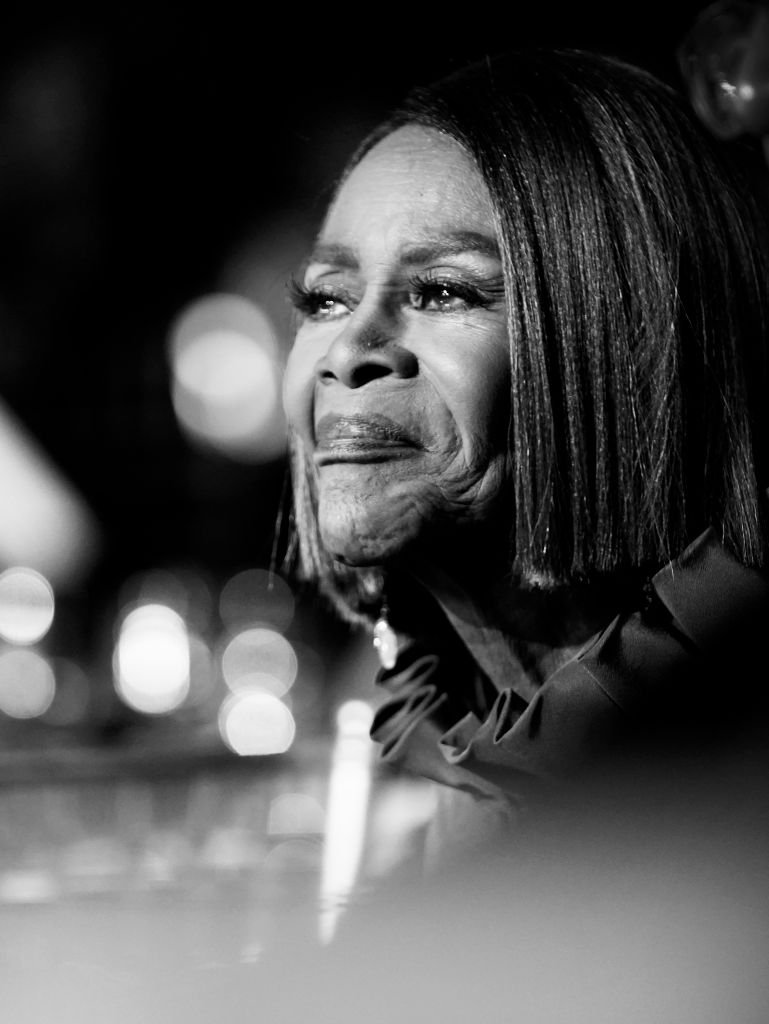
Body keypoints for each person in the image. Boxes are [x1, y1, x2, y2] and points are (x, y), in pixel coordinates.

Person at [281, 46, 769, 865]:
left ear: (631, 338)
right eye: (325, 298)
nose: (347, 350)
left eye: (443, 290)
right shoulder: (408, 745)